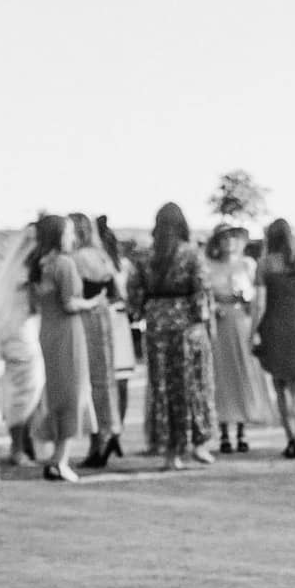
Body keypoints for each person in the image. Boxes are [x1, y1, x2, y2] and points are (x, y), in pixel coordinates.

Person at [129, 202, 214, 471]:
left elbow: (134, 296)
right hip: (187, 327)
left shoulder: (145, 256)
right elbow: (201, 291)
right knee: (190, 385)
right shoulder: (191, 254)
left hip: (156, 325)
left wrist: (144, 312)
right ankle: (193, 443)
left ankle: (169, 452)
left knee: (162, 386)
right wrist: (202, 321)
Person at [29, 213, 105, 483]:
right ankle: (60, 459)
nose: (72, 237)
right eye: (69, 232)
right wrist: (93, 302)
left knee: (57, 392)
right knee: (74, 392)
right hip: (68, 332)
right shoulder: (64, 263)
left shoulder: (40, 264)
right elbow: (70, 303)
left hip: (47, 331)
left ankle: (56, 458)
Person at [204, 224, 277, 454]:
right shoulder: (208, 266)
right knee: (221, 374)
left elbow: (257, 297)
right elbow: (204, 294)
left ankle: (242, 430)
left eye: (233, 238)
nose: (229, 243)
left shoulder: (247, 265)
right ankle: (224, 431)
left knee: (242, 372)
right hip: (219, 324)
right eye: (224, 238)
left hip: (241, 323)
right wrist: (214, 306)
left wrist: (247, 301)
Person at [251, 217, 295, 460]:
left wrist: (253, 332)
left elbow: (259, 304)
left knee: (280, 385)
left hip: (274, 325)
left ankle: (290, 436)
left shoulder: (265, 265)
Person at [70, 213, 123, 469]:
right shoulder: (103, 256)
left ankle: (99, 438)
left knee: (92, 380)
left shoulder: (77, 258)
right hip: (104, 317)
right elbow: (117, 292)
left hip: (85, 318)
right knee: (105, 379)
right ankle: (109, 431)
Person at [0, 226, 45, 467]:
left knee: (18, 390)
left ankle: (24, 444)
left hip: (13, 332)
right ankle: (18, 447)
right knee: (26, 392)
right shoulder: (26, 274)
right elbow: (34, 305)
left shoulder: (15, 270)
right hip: (22, 335)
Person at [97, 215, 138, 435]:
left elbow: (131, 296)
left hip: (119, 324)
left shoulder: (123, 267)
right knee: (105, 380)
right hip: (104, 321)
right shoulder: (95, 266)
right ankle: (107, 427)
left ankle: (117, 428)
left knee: (121, 380)